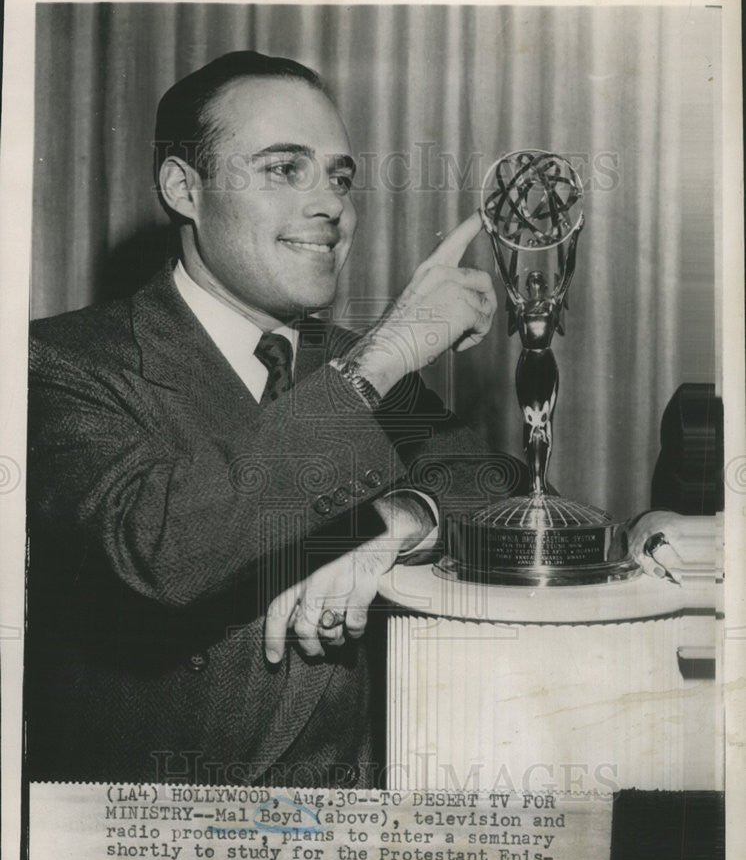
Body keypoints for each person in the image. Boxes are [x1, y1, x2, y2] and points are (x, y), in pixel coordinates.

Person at [25, 51, 527, 788]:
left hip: (350, 833)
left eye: (339, 176)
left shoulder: (349, 362)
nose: (331, 205)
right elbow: (159, 546)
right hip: (150, 850)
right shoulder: (58, 360)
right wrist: (384, 358)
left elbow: (497, 486)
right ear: (183, 189)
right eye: (284, 169)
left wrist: (398, 518)